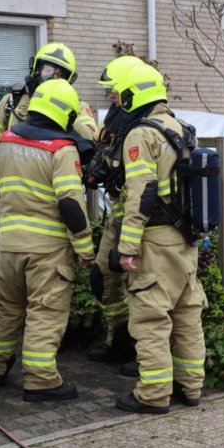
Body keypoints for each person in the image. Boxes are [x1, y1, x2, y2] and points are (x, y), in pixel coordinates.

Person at [0, 79, 96, 401]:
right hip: (47, 251)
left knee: (6, 308)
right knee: (45, 312)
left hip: (8, 245)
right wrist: (85, 248)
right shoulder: (61, 149)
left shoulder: (5, 139)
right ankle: (41, 380)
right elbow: (71, 204)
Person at [0, 43, 97, 298]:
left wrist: (70, 115)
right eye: (48, 70)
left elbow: (91, 136)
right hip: (9, 204)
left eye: (60, 74)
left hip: (48, 206)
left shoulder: (74, 105)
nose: (52, 77)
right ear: (36, 68)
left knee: (42, 286)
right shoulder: (11, 103)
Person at [111, 63, 207, 415]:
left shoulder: (142, 134)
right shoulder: (181, 129)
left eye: (118, 94)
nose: (116, 101)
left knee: (150, 318)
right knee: (186, 315)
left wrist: (126, 246)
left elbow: (142, 193)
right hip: (186, 239)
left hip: (155, 239)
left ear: (131, 95)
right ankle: (191, 386)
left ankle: (152, 394)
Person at [84, 56, 145, 371]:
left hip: (143, 220)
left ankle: (145, 352)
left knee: (144, 288)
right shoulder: (116, 121)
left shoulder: (145, 126)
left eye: (114, 89)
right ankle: (119, 341)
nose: (110, 95)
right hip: (117, 214)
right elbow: (101, 151)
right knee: (103, 277)